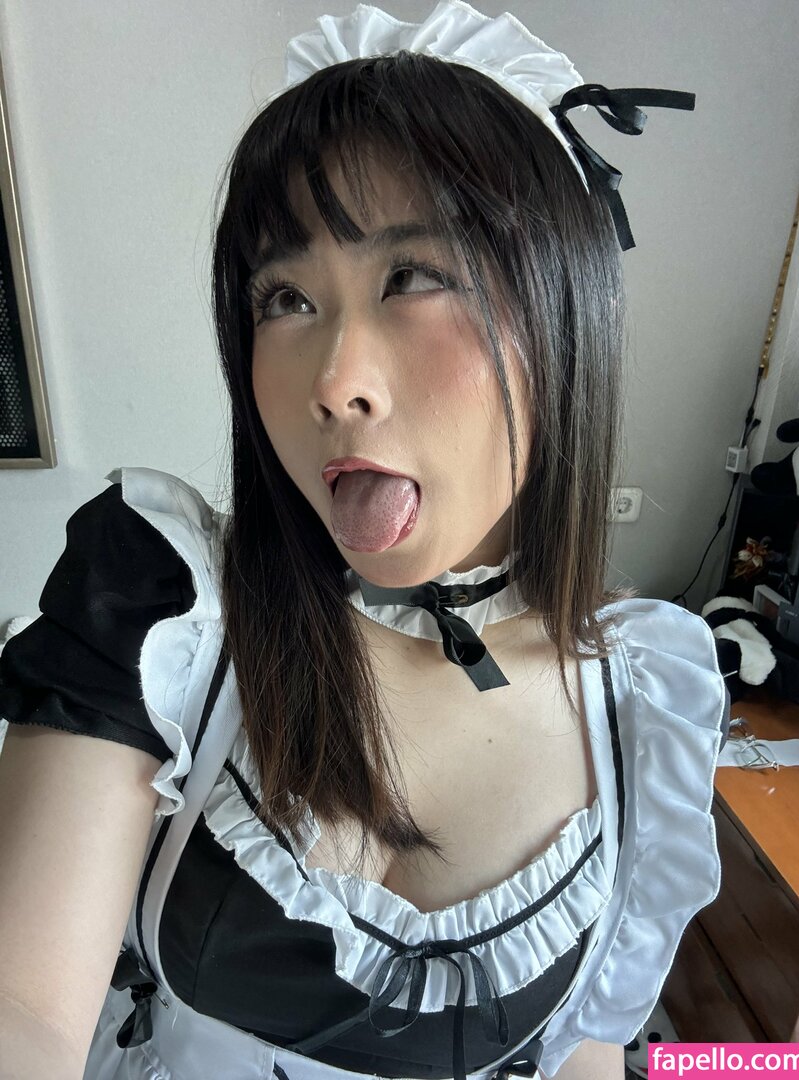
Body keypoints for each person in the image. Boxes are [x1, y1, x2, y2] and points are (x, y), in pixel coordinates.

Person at [0, 2, 730, 1079]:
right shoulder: (166, 606)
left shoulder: (645, 700)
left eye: (413, 277)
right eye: (285, 298)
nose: (334, 383)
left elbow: (581, 1053)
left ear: (564, 315)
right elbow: (23, 1007)